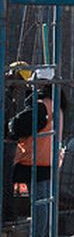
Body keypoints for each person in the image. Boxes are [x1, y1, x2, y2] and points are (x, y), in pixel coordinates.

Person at [7, 80, 66, 237]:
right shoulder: (57, 108)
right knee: (46, 202)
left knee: (39, 202)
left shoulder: (42, 106)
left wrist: (10, 127)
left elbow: (19, 125)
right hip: (49, 160)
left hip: (34, 159)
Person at [2, 62, 33, 222]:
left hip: (7, 142)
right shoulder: (4, 94)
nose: (21, 87)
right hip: (5, 143)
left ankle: (7, 214)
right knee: (5, 180)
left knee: (7, 180)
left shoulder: (8, 94)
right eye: (21, 80)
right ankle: (6, 214)